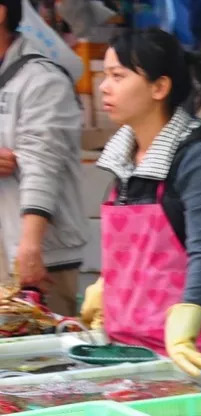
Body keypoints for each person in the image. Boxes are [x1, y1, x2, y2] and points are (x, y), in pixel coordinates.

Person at [81, 28, 201, 375]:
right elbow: (131, 248)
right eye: (105, 76)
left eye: (118, 76)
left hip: (182, 342)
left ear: (159, 87)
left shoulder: (198, 158)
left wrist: (189, 316)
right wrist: (106, 283)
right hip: (123, 341)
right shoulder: (124, 155)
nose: (104, 87)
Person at [0, 0, 86, 315]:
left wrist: (30, 245)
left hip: (38, 258)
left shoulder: (43, 79)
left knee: (42, 357)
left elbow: (42, 164)